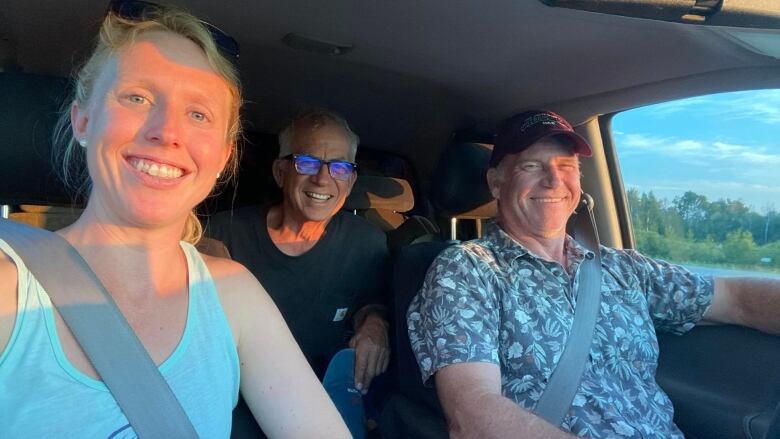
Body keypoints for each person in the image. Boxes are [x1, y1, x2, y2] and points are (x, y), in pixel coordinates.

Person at [0, 3, 350, 438]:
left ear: (223, 157)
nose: (166, 131)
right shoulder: (9, 288)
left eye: (198, 114)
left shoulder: (232, 294)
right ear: (83, 120)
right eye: (138, 97)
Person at [406, 110, 780, 438]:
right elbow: (473, 415)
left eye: (566, 168)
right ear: (496, 183)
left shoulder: (625, 268)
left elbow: (738, 300)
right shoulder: (467, 270)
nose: (553, 181)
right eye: (532, 166)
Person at [206, 111, 391, 435]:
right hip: (229, 408)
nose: (322, 178)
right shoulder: (224, 233)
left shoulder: (367, 243)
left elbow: (371, 300)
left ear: (350, 180)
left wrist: (374, 323)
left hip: (316, 408)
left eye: (339, 167)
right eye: (307, 162)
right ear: (280, 171)